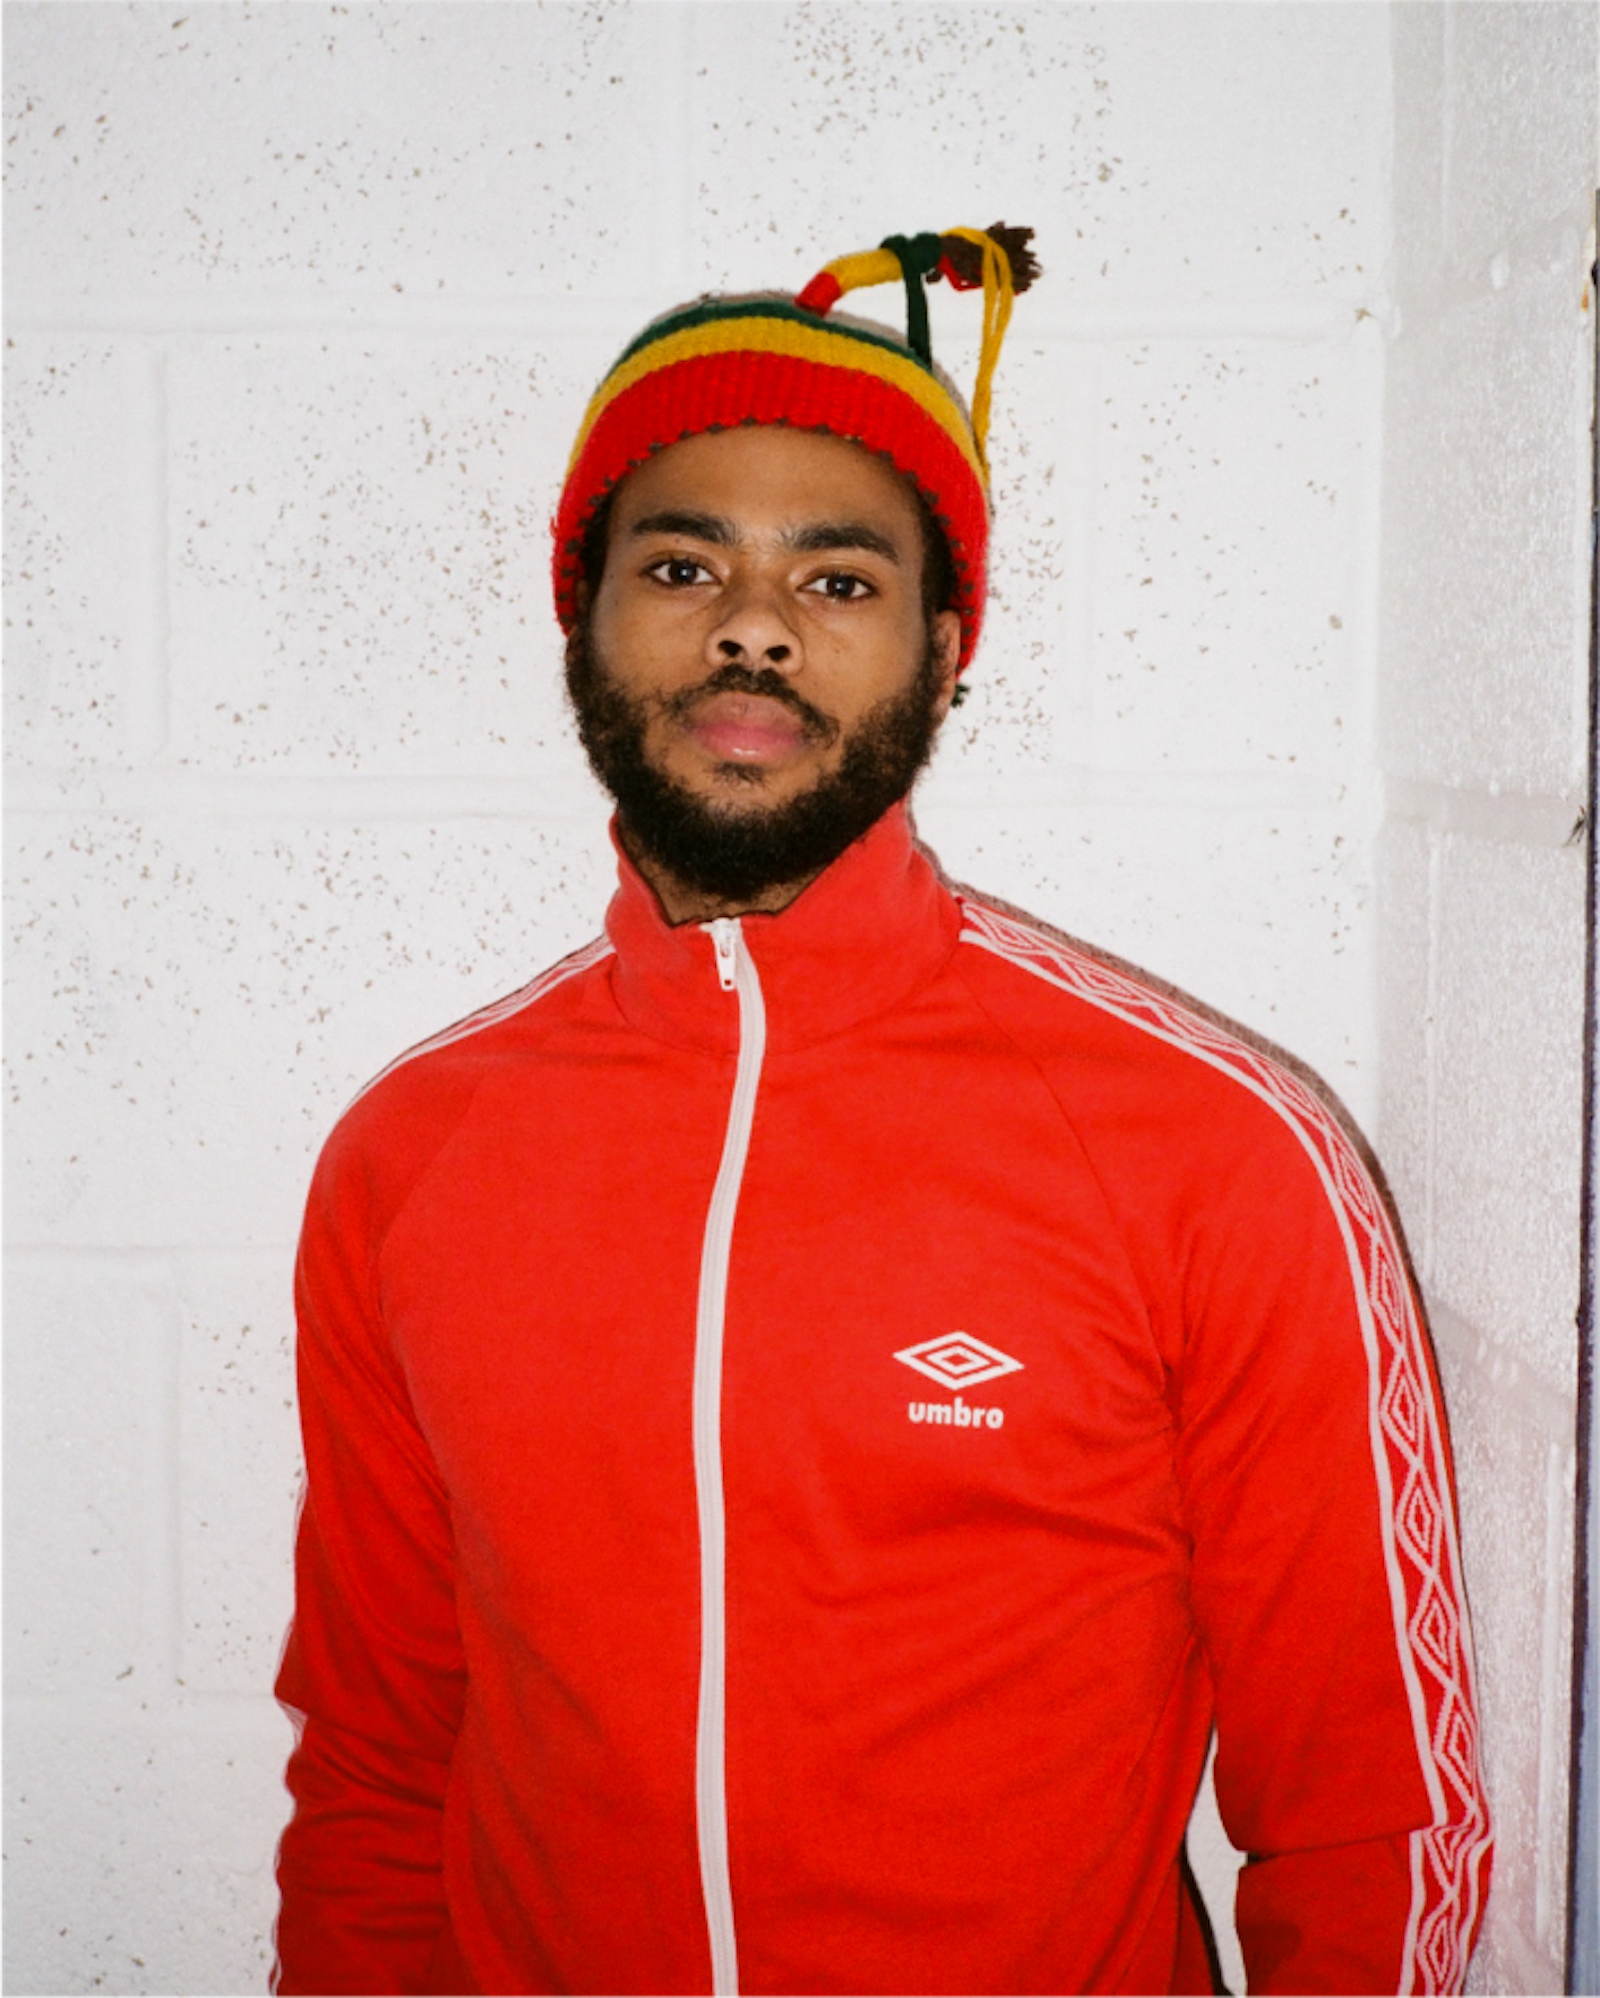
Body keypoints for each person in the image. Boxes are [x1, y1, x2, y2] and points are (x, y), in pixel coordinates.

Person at [274, 226, 1491, 1996]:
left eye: (838, 580)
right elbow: (376, 1766)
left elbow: (1375, 1816)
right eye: (681, 562)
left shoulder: (1211, 1147)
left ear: (946, 648)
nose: (753, 624)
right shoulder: (412, 1156)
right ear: (581, 617)